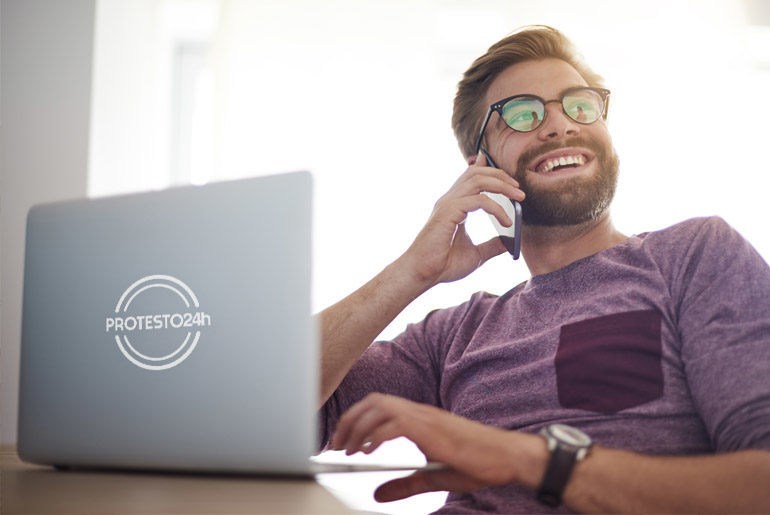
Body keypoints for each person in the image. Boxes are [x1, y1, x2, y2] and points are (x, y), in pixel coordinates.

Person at [317, 25, 770, 513]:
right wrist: (412, 272)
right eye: (523, 114)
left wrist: (528, 459)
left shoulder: (693, 256)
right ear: (481, 166)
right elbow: (259, 407)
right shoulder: (452, 337)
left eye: (579, 105)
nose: (560, 126)